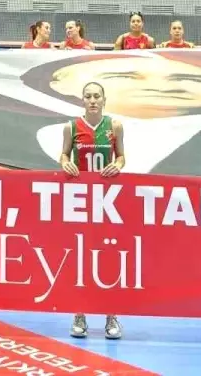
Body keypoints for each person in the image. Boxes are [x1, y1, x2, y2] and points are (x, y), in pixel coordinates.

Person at [59, 81, 126, 340]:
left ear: (104, 100)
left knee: (108, 257)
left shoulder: (115, 126)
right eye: (88, 96)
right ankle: (79, 314)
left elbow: (121, 156)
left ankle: (111, 315)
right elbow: (64, 155)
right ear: (83, 100)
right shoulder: (71, 127)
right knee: (80, 258)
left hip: (107, 201)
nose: (93, 100)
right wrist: (65, 163)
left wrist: (118, 165)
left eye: (97, 96)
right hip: (79, 201)